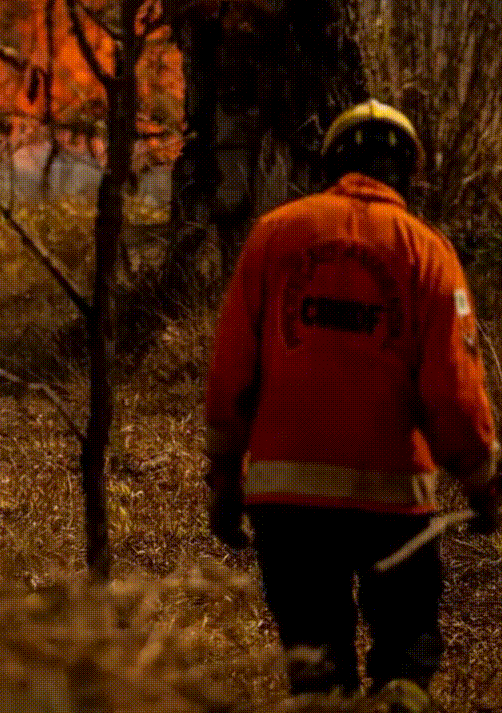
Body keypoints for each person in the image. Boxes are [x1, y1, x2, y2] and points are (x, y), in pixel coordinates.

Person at [206, 99, 499, 711]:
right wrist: (481, 483)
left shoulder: (273, 235)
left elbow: (232, 371)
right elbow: (452, 390)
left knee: (316, 673)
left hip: (287, 505)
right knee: (405, 663)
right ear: (409, 171)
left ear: (331, 163)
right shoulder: (428, 252)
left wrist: (225, 480)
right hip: (395, 507)